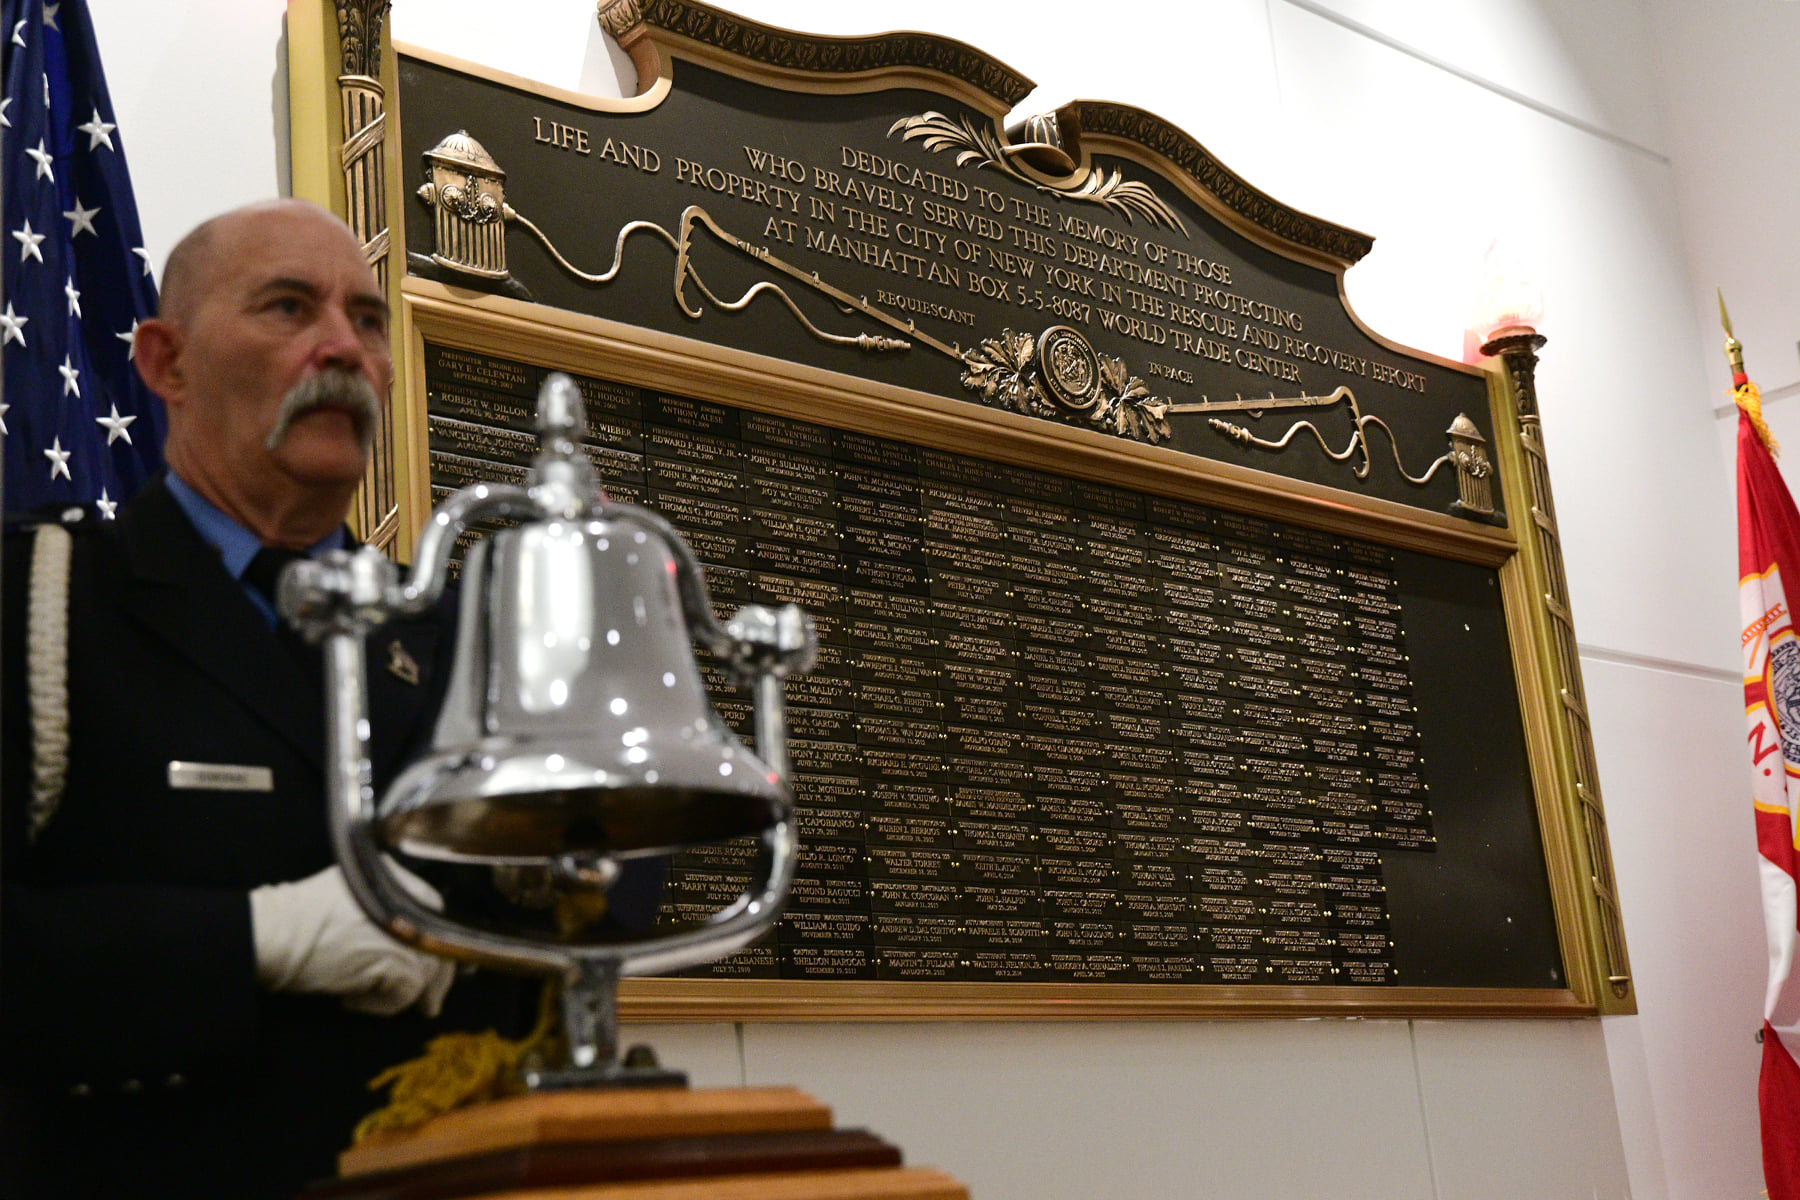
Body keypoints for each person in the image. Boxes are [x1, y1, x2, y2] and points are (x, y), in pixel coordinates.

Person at [0, 200, 531, 1198]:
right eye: (289, 309)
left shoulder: (458, 640)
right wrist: (252, 941)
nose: (341, 346)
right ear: (167, 365)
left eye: (368, 320)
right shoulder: (44, 604)